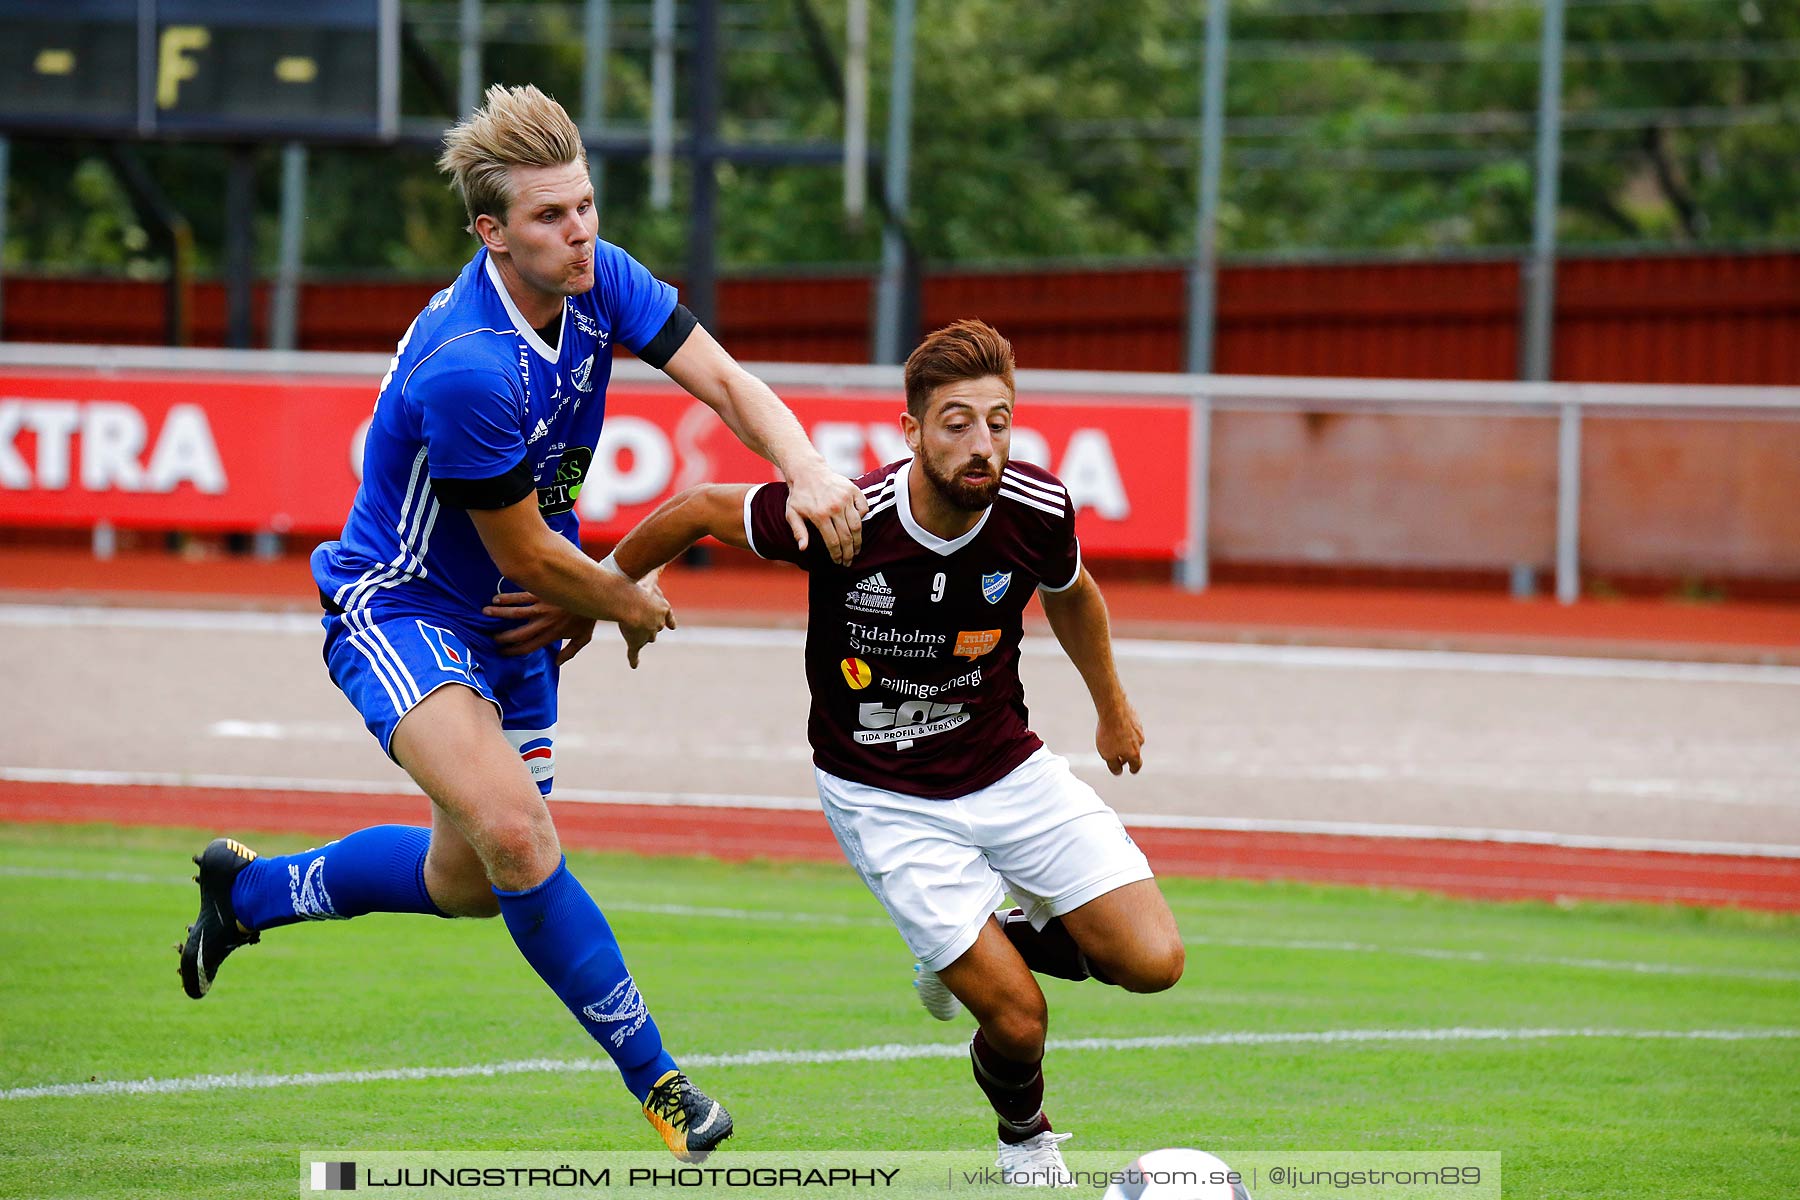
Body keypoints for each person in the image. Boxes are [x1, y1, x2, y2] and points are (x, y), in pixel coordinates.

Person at [177, 83, 866, 1161]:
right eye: (549, 217)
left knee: (469, 882)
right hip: (402, 607)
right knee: (517, 836)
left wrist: (808, 465)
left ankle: (251, 893)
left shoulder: (601, 279)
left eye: (585, 203)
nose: (580, 230)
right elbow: (526, 555)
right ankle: (665, 1086)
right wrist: (626, 598)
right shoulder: (469, 364)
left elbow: (725, 382)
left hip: (517, 615)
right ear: (490, 232)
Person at [603, 319, 1186, 1185]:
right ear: (911, 432)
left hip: (1007, 768)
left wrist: (1113, 707)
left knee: (1152, 962)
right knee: (1019, 1020)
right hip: (884, 797)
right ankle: (1024, 1140)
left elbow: (1072, 591)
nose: (982, 443)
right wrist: (609, 590)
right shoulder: (844, 519)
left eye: (998, 419)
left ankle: (977, 942)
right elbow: (698, 509)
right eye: (957, 422)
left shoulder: (1038, 508)